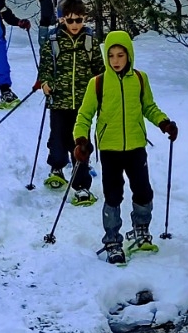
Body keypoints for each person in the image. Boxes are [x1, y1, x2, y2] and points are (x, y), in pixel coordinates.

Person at [72, 28, 176, 263]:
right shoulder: (97, 83)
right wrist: (81, 140)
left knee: (143, 190)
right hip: (109, 149)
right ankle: (112, 240)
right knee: (113, 194)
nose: (116, 60)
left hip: (136, 146)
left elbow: (148, 106)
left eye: (121, 55)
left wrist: (164, 123)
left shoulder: (140, 79)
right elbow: (84, 116)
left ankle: (141, 229)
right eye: (111, 56)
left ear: (129, 54)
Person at [34, 0, 100, 201]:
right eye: (70, 20)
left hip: (83, 104)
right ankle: (57, 166)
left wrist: (103, 92)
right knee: (58, 139)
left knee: (80, 143)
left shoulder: (90, 42)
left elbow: (100, 71)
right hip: (59, 100)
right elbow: (44, 67)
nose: (74, 24)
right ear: (62, 20)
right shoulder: (53, 41)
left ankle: (81, 184)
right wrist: (45, 83)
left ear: (84, 19)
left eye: (78, 20)